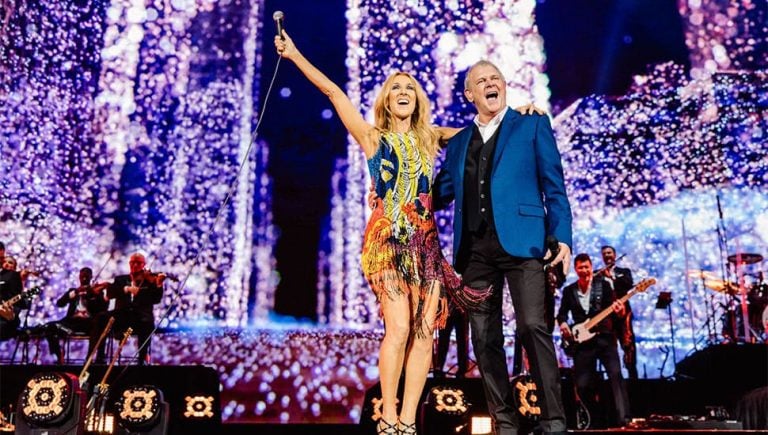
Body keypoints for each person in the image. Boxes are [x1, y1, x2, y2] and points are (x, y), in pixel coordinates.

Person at [275, 31, 503, 435]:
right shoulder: (372, 137)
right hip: (388, 244)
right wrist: (293, 54)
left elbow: (485, 126)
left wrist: (523, 114)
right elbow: (332, 92)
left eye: (409, 88)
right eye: (395, 88)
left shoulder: (431, 136)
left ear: (417, 100)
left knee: (423, 331)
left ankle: (409, 422)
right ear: (385, 100)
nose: (402, 92)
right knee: (398, 327)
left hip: (427, 247)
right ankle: (388, 414)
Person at [430, 60, 572, 435]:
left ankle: (554, 420)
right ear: (469, 94)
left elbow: (554, 186)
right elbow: (439, 192)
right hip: (475, 251)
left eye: (495, 79)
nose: (490, 84)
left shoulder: (532, 123)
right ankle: (504, 422)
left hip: (523, 243)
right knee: (484, 336)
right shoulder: (460, 142)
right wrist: (398, 199)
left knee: (531, 326)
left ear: (504, 86)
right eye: (481, 81)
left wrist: (563, 238)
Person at [557, 254, 629, 428]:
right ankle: (591, 421)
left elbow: (617, 311)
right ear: (576, 269)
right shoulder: (569, 290)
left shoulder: (603, 286)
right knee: (582, 384)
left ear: (591, 267)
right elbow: (561, 314)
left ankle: (623, 419)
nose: (584, 271)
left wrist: (619, 311)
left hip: (605, 338)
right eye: (580, 268)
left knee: (615, 376)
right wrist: (564, 323)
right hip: (582, 342)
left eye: (586, 267)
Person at [89, 253, 164, 365]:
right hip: (122, 315)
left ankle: (141, 359)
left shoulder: (149, 280)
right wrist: (126, 289)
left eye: (138, 263)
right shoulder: (120, 279)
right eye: (132, 262)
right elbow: (112, 292)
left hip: (140, 317)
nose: (135, 265)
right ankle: (99, 357)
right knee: (101, 318)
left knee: (147, 324)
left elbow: (156, 299)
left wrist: (159, 285)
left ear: (144, 265)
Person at [44, 267, 108, 364]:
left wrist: (92, 295)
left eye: (87, 274)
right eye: (82, 274)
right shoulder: (73, 291)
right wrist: (76, 292)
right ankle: (58, 356)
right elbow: (60, 303)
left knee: (101, 327)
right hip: (70, 326)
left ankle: (91, 359)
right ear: (79, 277)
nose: (84, 276)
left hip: (88, 325)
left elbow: (103, 308)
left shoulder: (96, 291)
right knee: (50, 327)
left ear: (91, 277)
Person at [598, 245, 637, 379]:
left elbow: (629, 284)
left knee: (629, 346)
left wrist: (612, 277)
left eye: (609, 253)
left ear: (614, 255)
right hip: (607, 317)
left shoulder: (624, 272)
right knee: (610, 349)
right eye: (604, 254)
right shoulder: (598, 274)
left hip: (623, 314)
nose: (607, 255)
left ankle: (633, 379)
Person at [434, 305, 469, 378]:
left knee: (462, 340)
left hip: (461, 308)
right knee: (443, 340)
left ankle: (462, 370)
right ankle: (439, 367)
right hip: (447, 308)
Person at [1, 254, 26, 340]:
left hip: (7, 316)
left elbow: (18, 300)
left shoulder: (14, 276)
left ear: (15, 267)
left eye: (10, 262)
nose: (6, 264)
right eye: (4, 262)